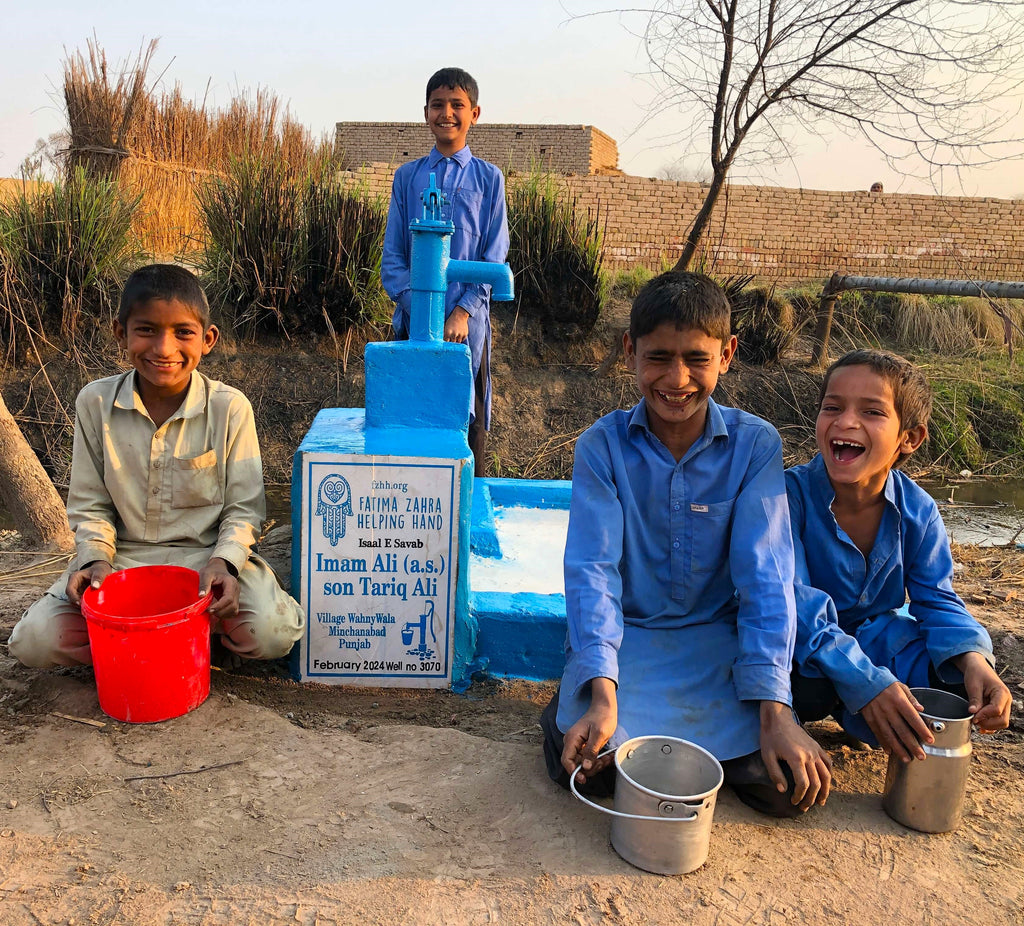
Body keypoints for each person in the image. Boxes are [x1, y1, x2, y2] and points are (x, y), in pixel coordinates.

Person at [540, 271, 832, 817]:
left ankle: (751, 735)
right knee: (583, 766)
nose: (677, 379)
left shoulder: (755, 446)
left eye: (697, 358)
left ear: (727, 355)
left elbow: (766, 578)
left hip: (717, 651)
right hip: (631, 649)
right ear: (630, 352)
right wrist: (603, 696)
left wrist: (776, 713)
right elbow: (592, 573)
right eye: (658, 357)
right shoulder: (601, 447)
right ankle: (595, 709)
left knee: (786, 788)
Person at [8, 264, 305, 669]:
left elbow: (244, 511)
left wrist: (225, 563)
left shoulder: (229, 408)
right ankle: (163, 641)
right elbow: (90, 505)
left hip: (205, 563)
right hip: (122, 565)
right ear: (120, 333)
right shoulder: (95, 404)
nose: (164, 349)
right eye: (146, 330)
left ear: (208, 339)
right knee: (35, 643)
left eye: (183, 332)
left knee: (272, 631)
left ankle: (193, 636)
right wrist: (95, 560)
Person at [787, 349, 1012, 761]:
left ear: (909, 438)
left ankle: (863, 711)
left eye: (872, 412)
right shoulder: (789, 497)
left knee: (958, 681)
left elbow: (936, 599)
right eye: (832, 407)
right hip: (804, 648)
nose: (845, 421)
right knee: (811, 683)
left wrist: (976, 660)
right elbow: (798, 608)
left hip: (875, 640)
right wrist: (865, 680)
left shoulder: (919, 510)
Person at [380, 67, 509, 477]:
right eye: (438, 105)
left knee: (467, 434)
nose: (447, 113)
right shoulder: (408, 177)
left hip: (467, 328)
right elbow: (393, 260)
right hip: (412, 326)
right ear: (425, 113)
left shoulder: (489, 180)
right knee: (405, 425)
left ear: (475, 113)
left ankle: (465, 528)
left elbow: (494, 256)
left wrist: (463, 311)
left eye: (457, 105)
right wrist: (422, 310)